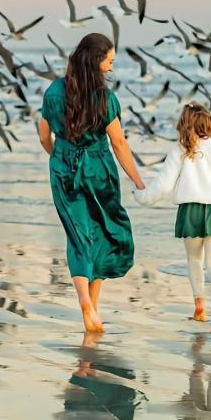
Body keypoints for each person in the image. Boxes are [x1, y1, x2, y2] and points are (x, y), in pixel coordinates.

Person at [37, 32, 147, 333]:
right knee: (103, 232)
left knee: (77, 235)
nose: (110, 68)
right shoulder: (105, 98)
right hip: (99, 168)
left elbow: (44, 135)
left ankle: (88, 305)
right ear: (96, 60)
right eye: (109, 61)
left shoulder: (54, 91)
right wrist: (138, 181)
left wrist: (59, 157)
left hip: (63, 167)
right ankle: (91, 308)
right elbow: (119, 143)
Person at [132, 103, 211, 334]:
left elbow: (163, 185)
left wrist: (142, 197)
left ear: (184, 124)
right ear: (209, 125)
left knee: (194, 260)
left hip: (190, 210)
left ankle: (199, 306)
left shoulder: (179, 150)